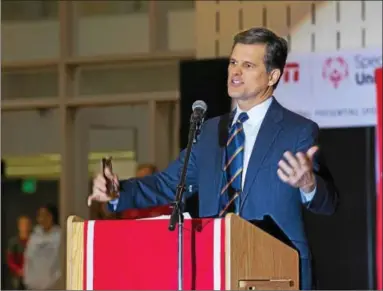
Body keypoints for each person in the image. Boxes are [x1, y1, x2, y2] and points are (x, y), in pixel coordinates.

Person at [88, 27, 339, 290]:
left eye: (248, 65)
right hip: (214, 266)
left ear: (272, 75)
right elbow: (169, 184)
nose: (235, 72)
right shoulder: (209, 131)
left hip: (278, 270)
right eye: (232, 62)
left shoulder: (297, 130)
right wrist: (117, 192)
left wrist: (308, 184)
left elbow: (329, 202)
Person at [23, 204, 61, 290]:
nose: (43, 219)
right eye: (40, 216)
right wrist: (28, 280)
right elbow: (28, 259)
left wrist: (55, 281)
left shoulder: (59, 236)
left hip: (54, 285)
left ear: (53, 217)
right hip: (34, 285)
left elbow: (61, 261)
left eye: (46, 215)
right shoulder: (34, 237)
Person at [7, 215, 32, 290]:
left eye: (27, 225)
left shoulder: (35, 242)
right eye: (23, 225)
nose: (25, 227)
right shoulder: (13, 242)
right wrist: (19, 271)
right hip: (18, 276)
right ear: (19, 227)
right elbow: (10, 261)